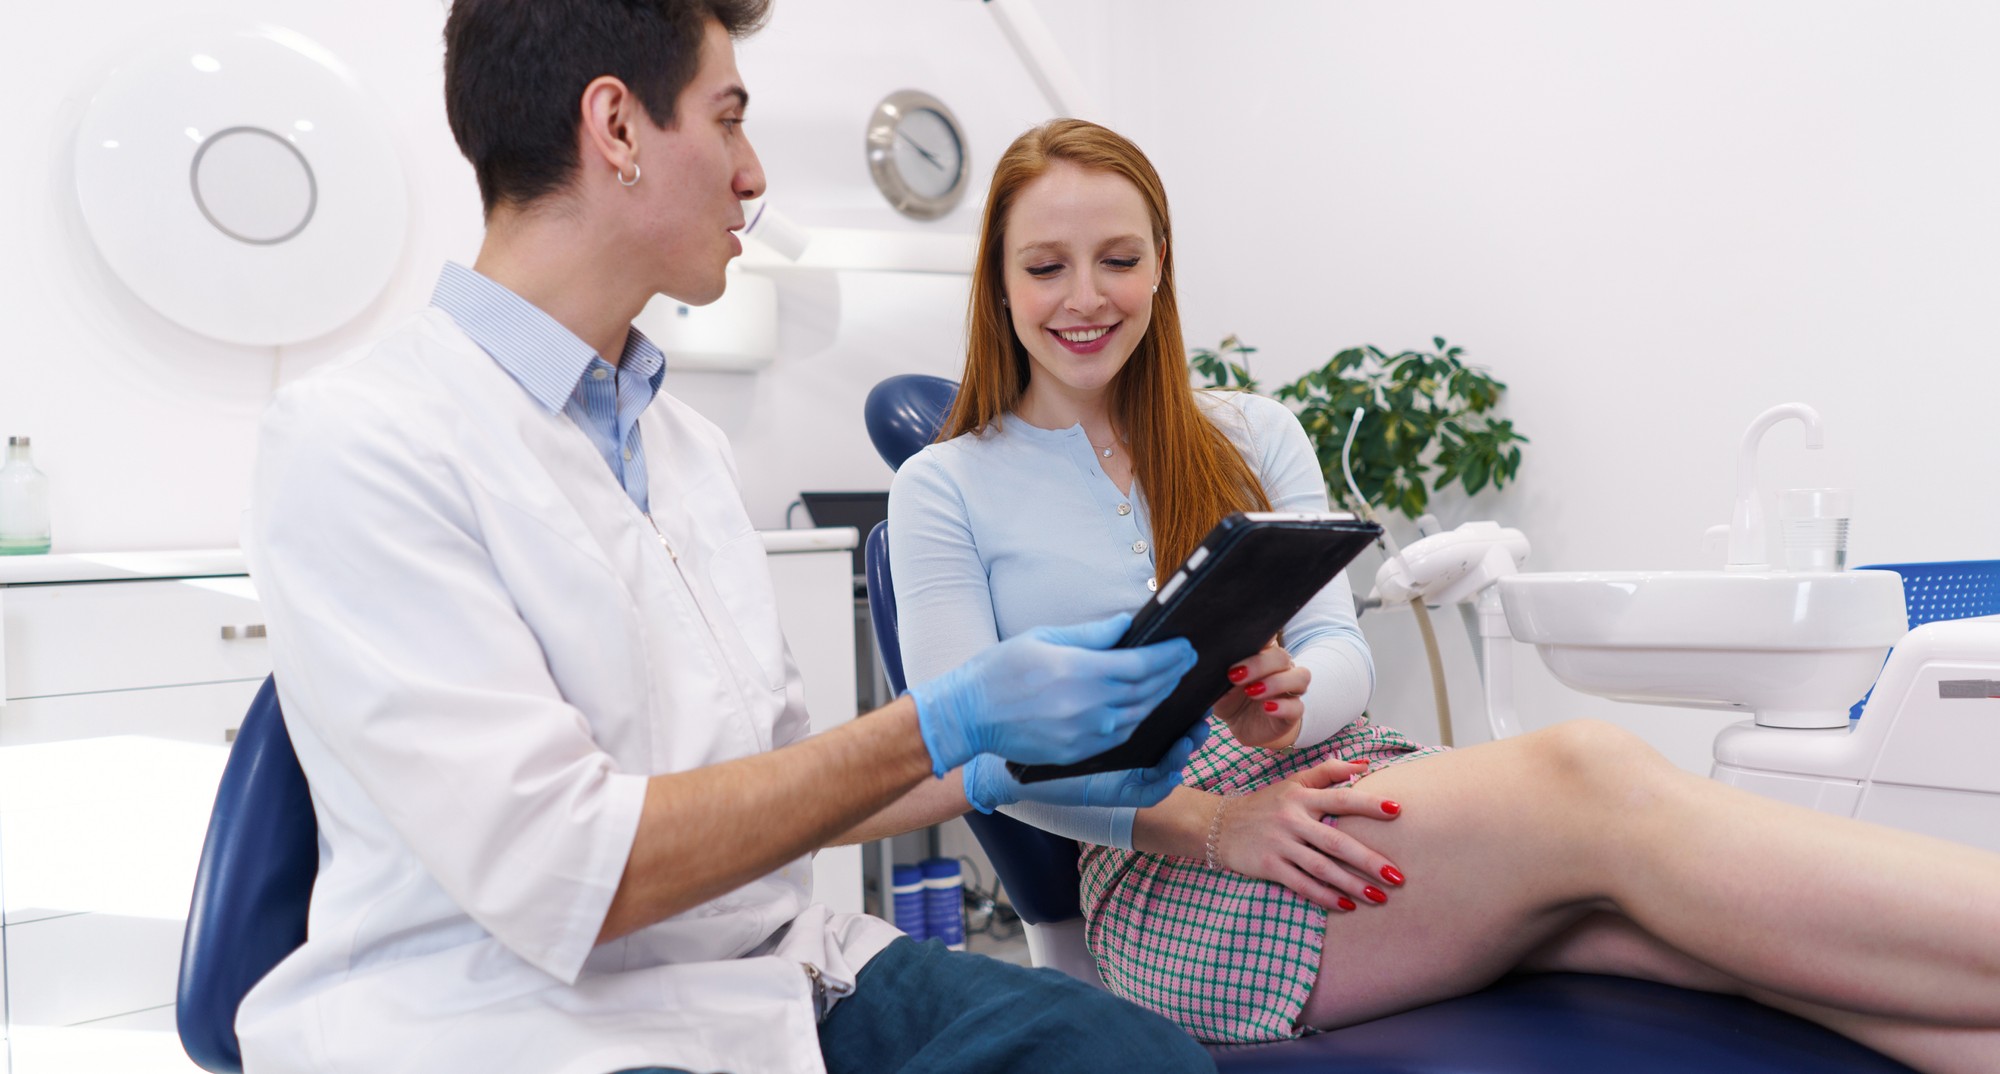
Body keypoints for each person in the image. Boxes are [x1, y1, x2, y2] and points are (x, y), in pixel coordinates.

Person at [886, 117, 2000, 1074]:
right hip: (1174, 873)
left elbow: (1340, 653)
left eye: (1117, 260)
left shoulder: (1252, 431)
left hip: (1340, 779)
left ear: (1161, 267)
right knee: (1587, 770)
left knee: (1657, 933)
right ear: (996, 278)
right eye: (1044, 267)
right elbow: (965, 758)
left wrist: (1287, 699)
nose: (1084, 298)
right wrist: (1207, 822)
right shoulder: (948, 485)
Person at [238, 5, 1223, 1073]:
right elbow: (569, 872)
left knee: (1131, 1058)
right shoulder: (363, 441)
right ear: (615, 127)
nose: (752, 176)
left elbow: (782, 785)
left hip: (784, 976)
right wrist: (940, 720)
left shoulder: (686, 448)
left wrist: (1043, 753)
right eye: (729, 120)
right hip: (517, 1021)